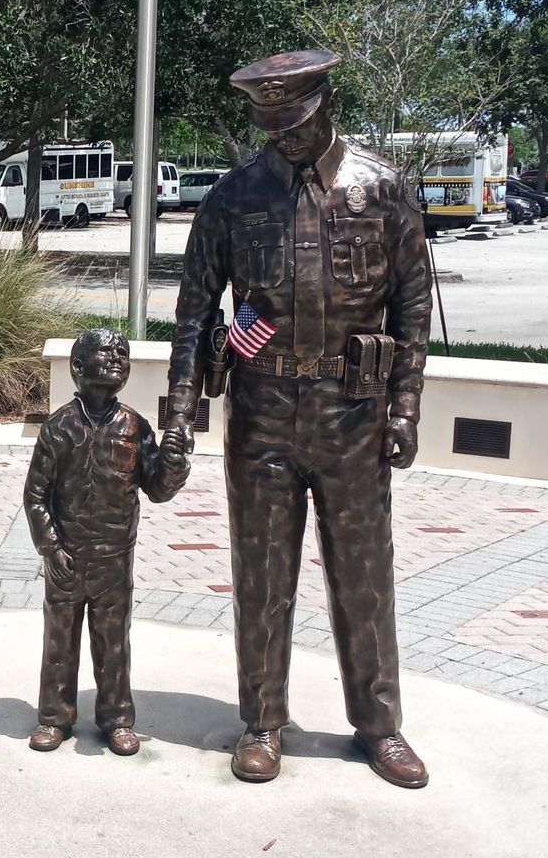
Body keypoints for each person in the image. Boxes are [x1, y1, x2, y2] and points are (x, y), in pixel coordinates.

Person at [165, 50, 434, 787]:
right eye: (271, 124)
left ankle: (380, 726)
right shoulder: (233, 197)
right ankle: (262, 721)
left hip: (353, 412)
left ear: (326, 106)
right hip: (262, 413)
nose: (284, 135)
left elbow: (413, 306)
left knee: (363, 573)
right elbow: (193, 314)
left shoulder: (384, 189)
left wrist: (405, 406)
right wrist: (181, 414)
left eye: (296, 122)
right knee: (261, 572)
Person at [22, 327, 190, 756]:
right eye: (107, 352)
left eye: (123, 353)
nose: (118, 358)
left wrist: (173, 464)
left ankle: (117, 718)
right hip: (66, 556)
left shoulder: (134, 426)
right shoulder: (58, 427)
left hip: (114, 557)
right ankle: (53, 716)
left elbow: (157, 487)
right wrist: (50, 547)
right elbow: (35, 495)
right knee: (59, 640)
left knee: (113, 641)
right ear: (78, 367)